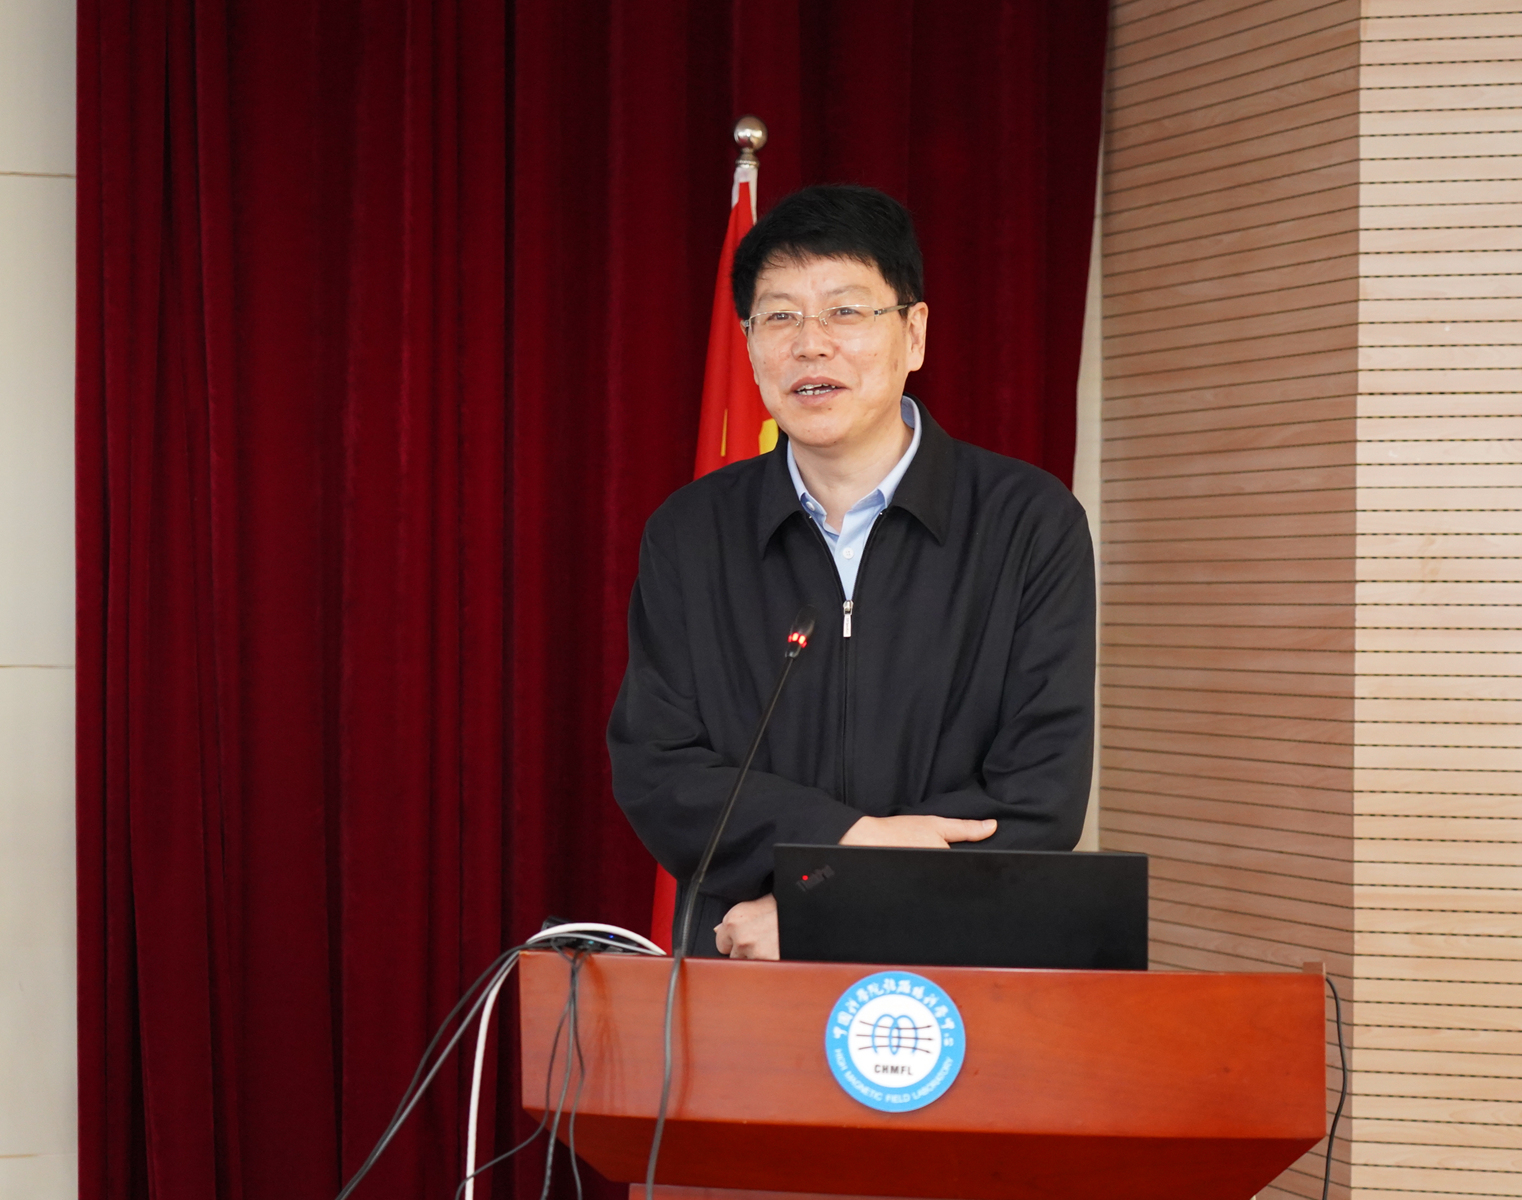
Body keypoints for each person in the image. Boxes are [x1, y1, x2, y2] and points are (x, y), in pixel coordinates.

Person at [607, 185, 1094, 960]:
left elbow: (1041, 798)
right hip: (743, 961)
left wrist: (825, 903)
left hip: (949, 970)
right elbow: (659, 770)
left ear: (915, 333)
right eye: (780, 317)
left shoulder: (1028, 523)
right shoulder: (691, 534)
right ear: (749, 345)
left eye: (845, 311)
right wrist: (850, 841)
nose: (812, 344)